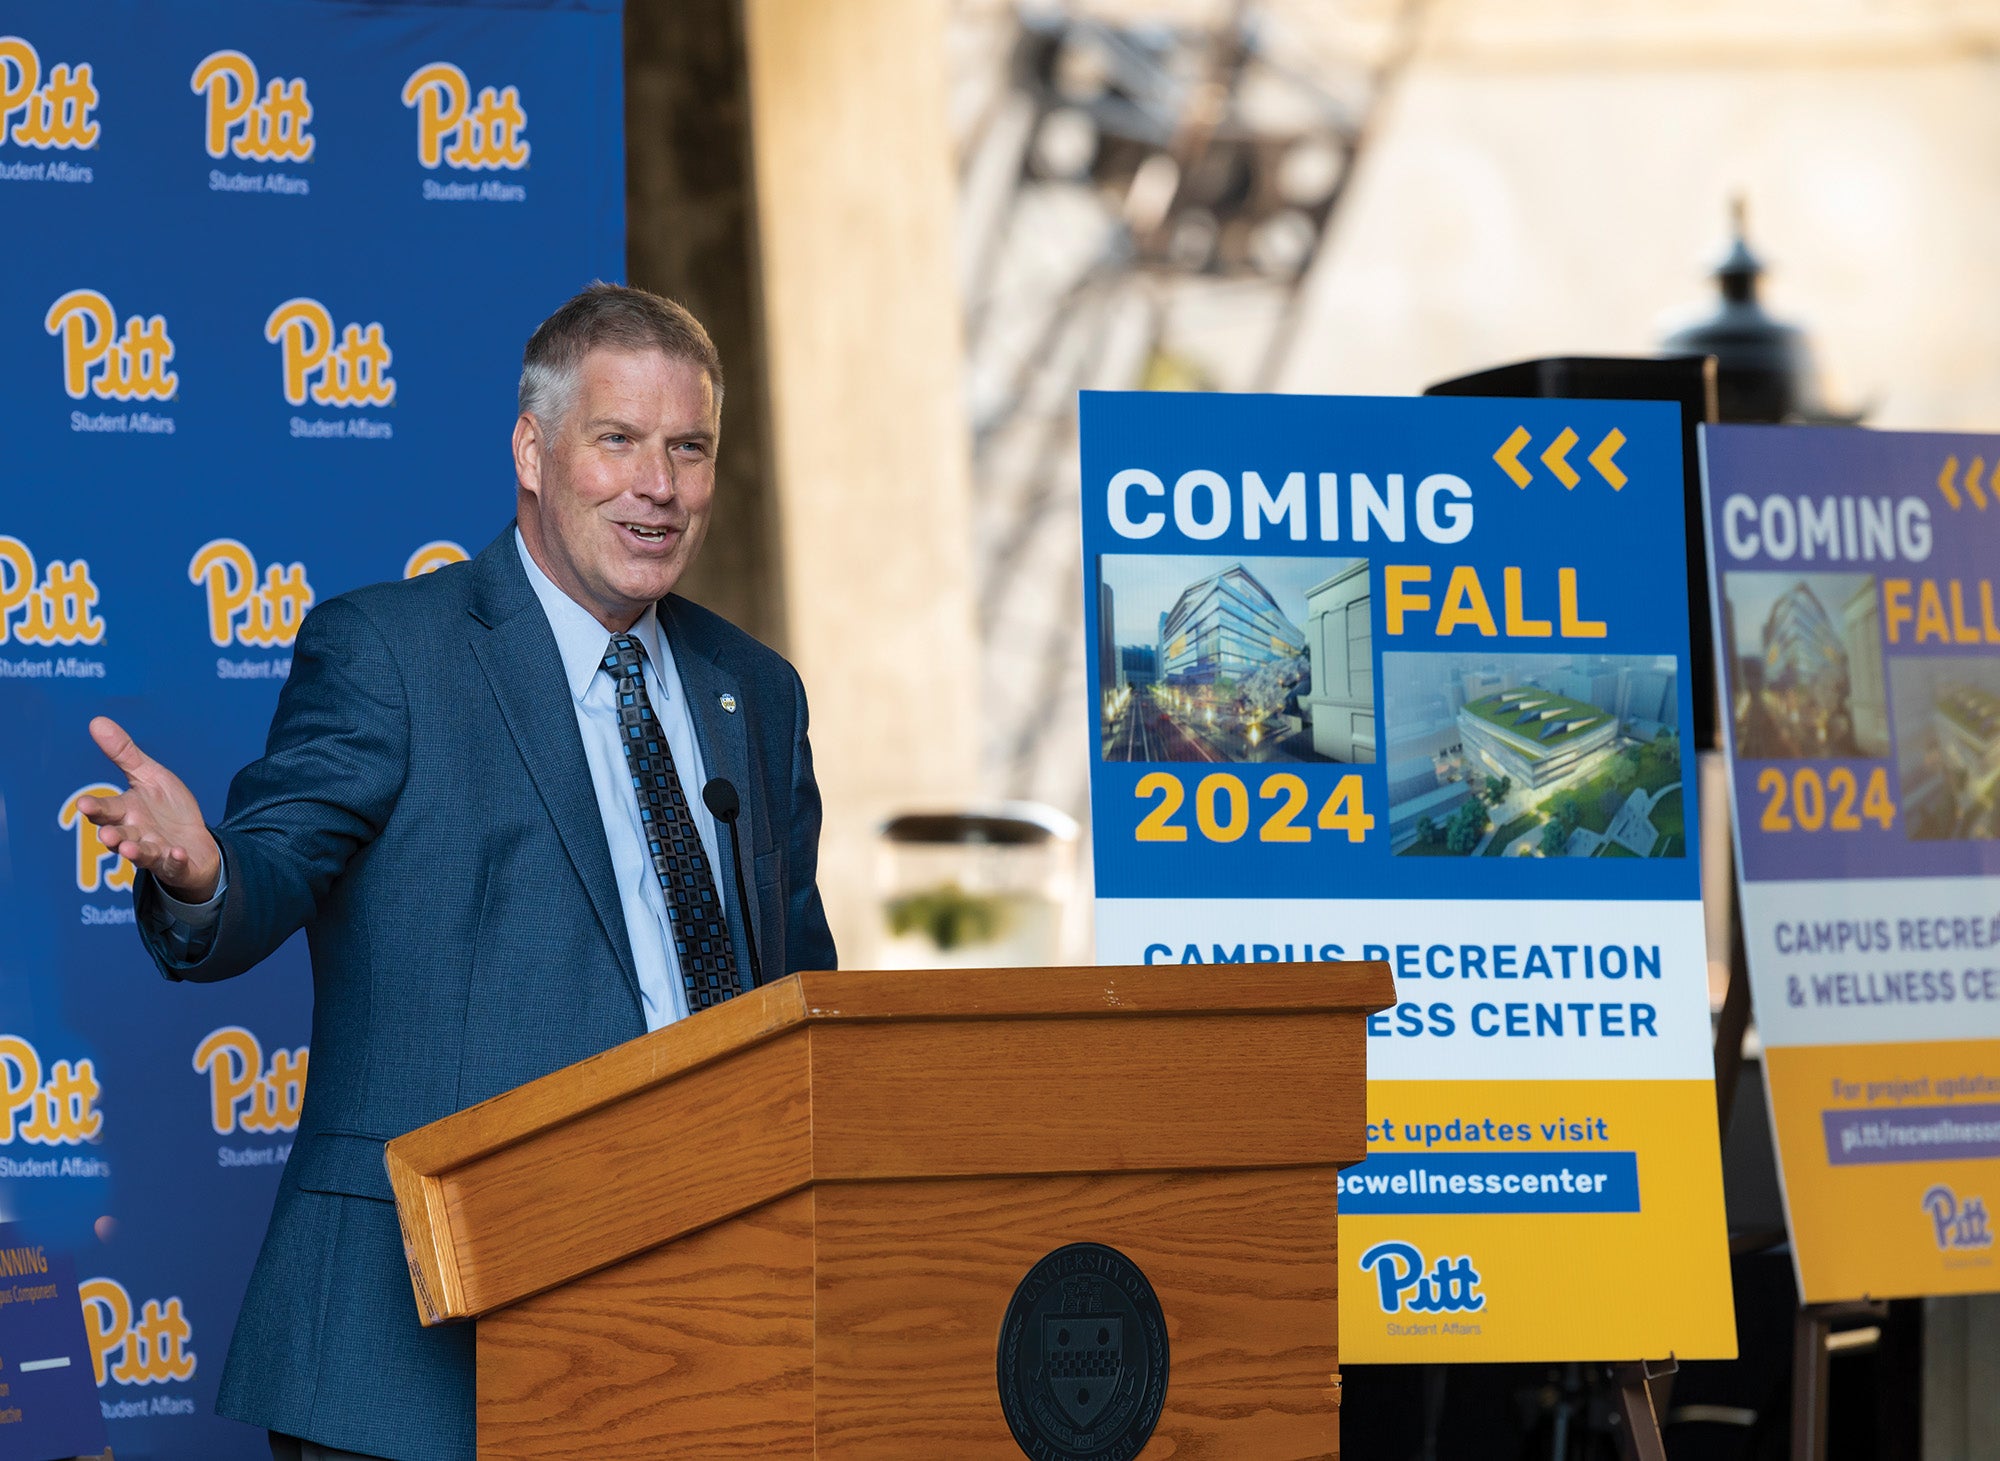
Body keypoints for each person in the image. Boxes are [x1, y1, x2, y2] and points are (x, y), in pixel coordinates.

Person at [78, 283, 837, 1461]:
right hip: (420, 1349)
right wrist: (201, 870)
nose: (659, 485)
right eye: (618, 441)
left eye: (689, 448)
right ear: (533, 452)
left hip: (698, 1325)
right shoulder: (391, 651)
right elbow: (269, 871)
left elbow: (798, 990)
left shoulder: (756, 690)